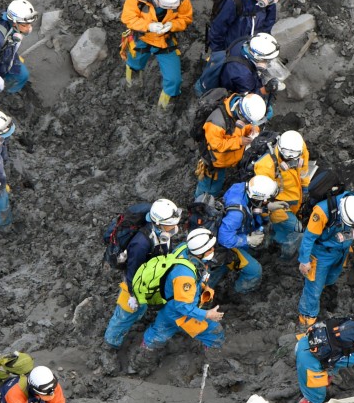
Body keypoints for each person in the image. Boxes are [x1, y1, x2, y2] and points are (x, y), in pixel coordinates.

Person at [102, 199, 183, 365]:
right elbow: (132, 269)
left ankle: (139, 314)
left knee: (139, 310)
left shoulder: (162, 234)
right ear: (158, 223)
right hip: (135, 283)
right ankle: (110, 345)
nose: (174, 227)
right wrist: (133, 294)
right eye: (171, 224)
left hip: (151, 279)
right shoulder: (141, 243)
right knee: (124, 315)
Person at [131, 228, 224, 372]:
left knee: (158, 334)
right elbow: (182, 306)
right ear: (200, 252)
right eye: (210, 248)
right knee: (215, 332)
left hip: (168, 305)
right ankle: (215, 367)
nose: (213, 250)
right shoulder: (185, 276)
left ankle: (138, 364)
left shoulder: (184, 248)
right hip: (180, 313)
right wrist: (207, 315)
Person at [196, 0, 282, 95]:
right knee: (226, 75)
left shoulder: (269, 2)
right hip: (231, 48)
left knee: (246, 74)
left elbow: (268, 23)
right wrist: (219, 55)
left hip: (252, 48)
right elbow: (217, 30)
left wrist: (263, 47)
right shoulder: (234, 3)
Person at [298, 191, 354, 331]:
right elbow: (308, 238)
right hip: (322, 252)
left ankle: (325, 289)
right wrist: (304, 261)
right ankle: (306, 319)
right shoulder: (322, 211)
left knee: (332, 277)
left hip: (342, 251)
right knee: (314, 288)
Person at [121, 0, 193, 108]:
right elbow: (128, 18)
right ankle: (133, 86)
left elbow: (186, 17)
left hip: (165, 40)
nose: (169, 9)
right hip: (142, 37)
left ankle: (164, 107)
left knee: (174, 80)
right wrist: (148, 26)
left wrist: (173, 25)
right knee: (134, 64)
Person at [207, 175, 278, 293]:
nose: (268, 201)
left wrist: (266, 208)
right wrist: (248, 240)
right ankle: (236, 292)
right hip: (223, 246)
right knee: (254, 271)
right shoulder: (236, 215)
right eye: (267, 200)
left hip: (231, 231)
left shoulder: (240, 187)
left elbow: (250, 206)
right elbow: (224, 239)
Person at [195, 92, 267, 197]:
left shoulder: (238, 111)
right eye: (247, 121)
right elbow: (217, 145)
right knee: (208, 188)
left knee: (218, 183)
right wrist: (239, 141)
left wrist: (253, 129)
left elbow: (243, 128)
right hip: (214, 163)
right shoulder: (216, 123)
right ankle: (201, 202)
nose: (247, 123)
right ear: (241, 114)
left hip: (225, 160)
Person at [253, 130, 311, 260]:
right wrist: (266, 215)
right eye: (287, 158)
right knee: (296, 230)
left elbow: (304, 170)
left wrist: (305, 187)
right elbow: (261, 196)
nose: (291, 161)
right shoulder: (266, 166)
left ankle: (275, 234)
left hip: (295, 197)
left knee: (288, 227)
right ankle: (284, 255)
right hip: (278, 204)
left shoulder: (300, 148)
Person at [218, 32, 280, 100]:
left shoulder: (244, 41)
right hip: (232, 88)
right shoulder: (244, 75)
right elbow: (250, 97)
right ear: (257, 57)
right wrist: (266, 89)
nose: (267, 62)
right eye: (266, 60)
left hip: (229, 68)